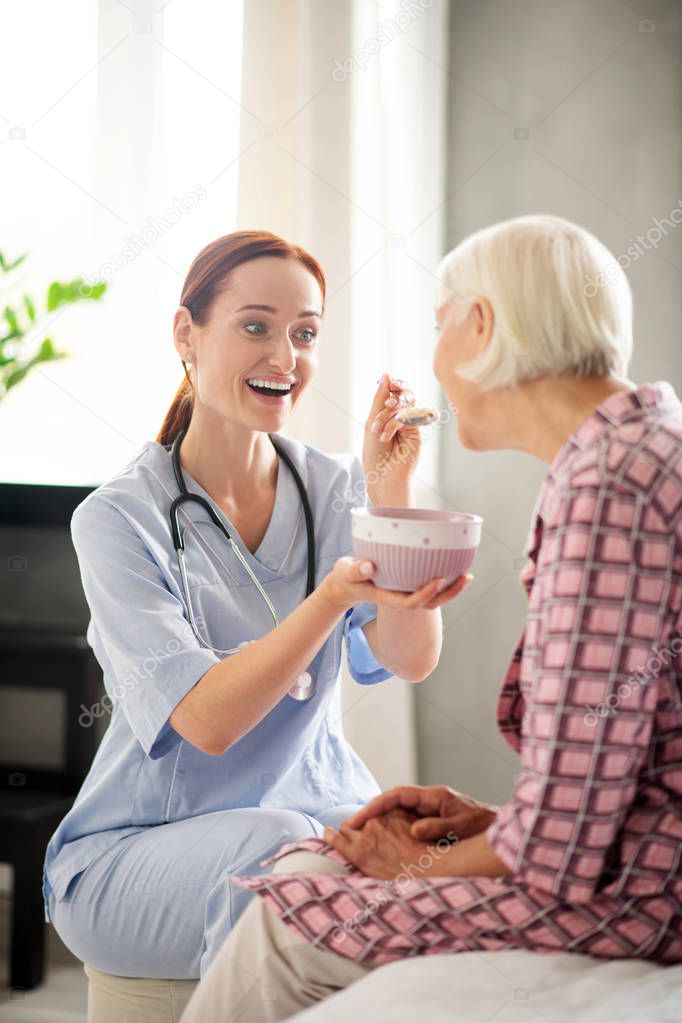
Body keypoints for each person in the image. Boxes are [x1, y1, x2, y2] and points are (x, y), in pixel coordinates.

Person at [179, 215, 682, 1023]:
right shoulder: (643, 448)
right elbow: (623, 769)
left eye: (441, 323)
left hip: (642, 897)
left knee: (280, 921)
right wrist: (491, 821)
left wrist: (421, 860)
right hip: (641, 864)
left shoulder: (608, 489)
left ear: (482, 324)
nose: (437, 359)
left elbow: (559, 846)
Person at [42, 230, 472, 980]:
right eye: (255, 326)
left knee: (439, 848)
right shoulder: (118, 519)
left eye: (304, 333)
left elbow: (411, 655)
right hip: (138, 853)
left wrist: (390, 499)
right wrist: (332, 593)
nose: (285, 357)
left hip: (313, 816)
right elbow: (207, 722)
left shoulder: (337, 488)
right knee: (279, 848)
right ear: (187, 334)